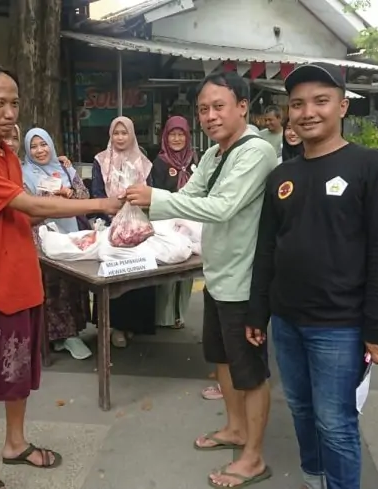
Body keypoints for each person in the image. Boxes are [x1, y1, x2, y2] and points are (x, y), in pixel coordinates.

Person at [0, 62, 122, 489]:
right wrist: (98, 204)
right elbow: (29, 206)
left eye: (15, 103)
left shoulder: (8, 154)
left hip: (24, 279)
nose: (10, 113)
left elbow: (21, 217)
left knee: (20, 371)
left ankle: (16, 444)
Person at [247, 62, 378, 489]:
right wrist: (257, 311)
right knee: (299, 406)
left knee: (335, 421)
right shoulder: (282, 176)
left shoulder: (372, 168)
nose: (308, 112)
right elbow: (266, 249)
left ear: (343, 106)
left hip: (341, 325)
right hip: (286, 321)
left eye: (320, 100)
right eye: (297, 104)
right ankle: (314, 477)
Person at [125, 71, 278, 488]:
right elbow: (190, 197)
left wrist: (153, 198)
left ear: (242, 107)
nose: (210, 116)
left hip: (246, 283)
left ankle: (253, 456)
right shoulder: (213, 155)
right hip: (218, 276)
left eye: (219, 107)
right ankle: (234, 428)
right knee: (223, 360)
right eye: (203, 109)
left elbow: (222, 206)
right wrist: (143, 205)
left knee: (252, 371)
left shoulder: (256, 152)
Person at [22, 127, 93, 360]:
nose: (40, 150)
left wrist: (68, 194)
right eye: (34, 146)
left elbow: (85, 197)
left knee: (71, 285)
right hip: (42, 238)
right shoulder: (24, 173)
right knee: (51, 288)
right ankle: (58, 336)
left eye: (43, 144)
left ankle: (71, 334)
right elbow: (25, 207)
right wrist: (46, 201)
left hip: (70, 235)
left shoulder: (64, 167)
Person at [90, 116, 157, 348]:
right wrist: (112, 216)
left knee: (138, 275)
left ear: (132, 135)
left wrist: (134, 217)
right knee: (115, 277)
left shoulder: (143, 162)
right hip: (111, 226)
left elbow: (150, 193)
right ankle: (115, 326)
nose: (120, 137)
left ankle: (134, 324)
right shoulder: (100, 161)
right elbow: (96, 192)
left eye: (124, 133)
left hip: (137, 226)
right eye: (116, 133)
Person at [150, 115, 196, 330]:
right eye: (172, 135)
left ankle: (180, 315)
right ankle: (165, 316)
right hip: (166, 221)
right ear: (165, 137)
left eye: (181, 134)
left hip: (190, 220)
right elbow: (156, 193)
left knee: (187, 270)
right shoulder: (159, 163)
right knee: (168, 268)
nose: (177, 139)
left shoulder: (194, 159)